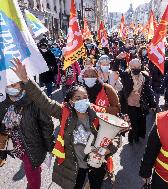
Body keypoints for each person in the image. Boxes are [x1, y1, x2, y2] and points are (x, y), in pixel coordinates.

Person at [11, 59, 119, 189]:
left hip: (95, 164)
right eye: (77, 98)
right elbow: (44, 101)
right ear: (71, 101)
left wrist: (108, 149)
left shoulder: (98, 112)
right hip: (73, 167)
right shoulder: (65, 112)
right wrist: (26, 80)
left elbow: (115, 133)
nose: (82, 101)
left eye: (85, 97)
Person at [0, 80, 54, 189]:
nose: (10, 87)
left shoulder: (34, 100)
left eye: (13, 84)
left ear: (22, 84)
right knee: (32, 166)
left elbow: (46, 125)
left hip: (32, 146)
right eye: (7, 85)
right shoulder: (3, 101)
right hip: (14, 146)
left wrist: (49, 147)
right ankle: (36, 167)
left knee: (32, 173)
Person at [120, 58, 156, 144]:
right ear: (130, 67)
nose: (136, 68)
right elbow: (115, 70)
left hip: (141, 104)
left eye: (138, 66)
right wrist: (118, 58)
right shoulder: (126, 76)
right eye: (133, 67)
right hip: (130, 105)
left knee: (141, 122)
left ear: (141, 66)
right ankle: (131, 138)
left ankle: (137, 136)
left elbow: (149, 91)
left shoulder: (145, 76)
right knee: (133, 124)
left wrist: (153, 104)